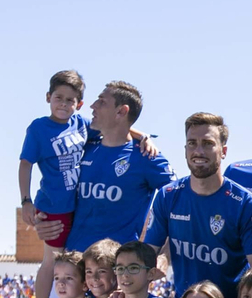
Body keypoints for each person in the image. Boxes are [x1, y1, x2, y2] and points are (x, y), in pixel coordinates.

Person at [141, 111, 252, 298]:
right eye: (192, 143)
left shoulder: (244, 202)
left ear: (223, 151)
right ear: (185, 150)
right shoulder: (168, 196)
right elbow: (145, 256)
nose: (198, 151)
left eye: (208, 144)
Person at [44, 81, 173, 259]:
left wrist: (162, 255)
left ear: (121, 111)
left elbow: (180, 204)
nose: (92, 106)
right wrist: (43, 219)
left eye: (102, 102)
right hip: (74, 262)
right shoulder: (83, 148)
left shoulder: (147, 156)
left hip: (116, 266)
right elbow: (57, 189)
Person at [18, 70, 90, 298]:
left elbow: (111, 128)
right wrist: (26, 201)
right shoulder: (39, 128)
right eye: (59, 97)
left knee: (74, 262)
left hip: (79, 206)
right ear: (48, 97)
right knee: (52, 260)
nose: (64, 104)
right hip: (54, 205)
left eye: (70, 100)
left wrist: (142, 137)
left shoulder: (82, 124)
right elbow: (25, 164)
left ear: (79, 104)